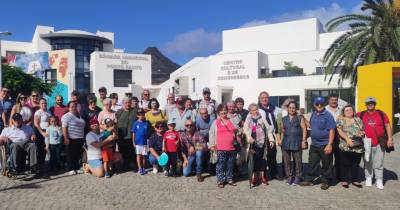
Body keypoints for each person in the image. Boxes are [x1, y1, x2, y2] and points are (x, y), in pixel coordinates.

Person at [357, 97, 393, 190]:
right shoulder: (361, 114)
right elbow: (351, 119)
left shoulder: (381, 113)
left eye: (372, 103)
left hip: (379, 142)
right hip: (366, 143)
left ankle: (379, 180)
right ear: (366, 104)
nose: (370, 104)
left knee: (379, 162)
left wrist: (390, 139)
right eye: (368, 103)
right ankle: (368, 178)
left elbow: (387, 126)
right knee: (367, 161)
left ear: (375, 104)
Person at [300, 97, 335, 190]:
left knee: (326, 164)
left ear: (324, 105)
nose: (319, 106)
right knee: (312, 163)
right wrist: (303, 118)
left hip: (325, 144)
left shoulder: (328, 115)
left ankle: (325, 181)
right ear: (314, 105)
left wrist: (330, 144)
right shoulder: (314, 114)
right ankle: (309, 179)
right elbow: (311, 125)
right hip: (314, 144)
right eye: (317, 104)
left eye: (321, 104)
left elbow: (332, 130)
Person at [244, 103, 275, 187]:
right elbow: (245, 130)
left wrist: (271, 140)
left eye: (256, 109)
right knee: (253, 161)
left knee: (262, 161)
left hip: (262, 143)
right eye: (253, 110)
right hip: (252, 143)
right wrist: (248, 137)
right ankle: (254, 178)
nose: (256, 111)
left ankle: (262, 178)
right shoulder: (248, 118)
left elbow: (268, 130)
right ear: (250, 111)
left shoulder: (262, 118)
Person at [278, 101, 307, 186]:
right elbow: (282, 131)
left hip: (297, 141)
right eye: (290, 108)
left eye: (293, 108)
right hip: (286, 141)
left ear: (296, 109)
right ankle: (289, 176)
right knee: (286, 161)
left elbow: (304, 129)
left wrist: (304, 140)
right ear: (287, 108)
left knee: (297, 160)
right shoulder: (283, 119)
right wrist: (280, 140)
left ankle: (298, 176)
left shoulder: (299, 118)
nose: (292, 109)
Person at [209, 104, 237, 188]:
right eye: (221, 111)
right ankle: (220, 180)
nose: (223, 112)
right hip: (220, 148)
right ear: (218, 113)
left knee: (230, 164)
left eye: (225, 110)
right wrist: (212, 145)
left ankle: (229, 179)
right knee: (220, 165)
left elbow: (237, 130)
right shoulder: (215, 122)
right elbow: (211, 133)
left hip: (231, 147)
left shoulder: (231, 121)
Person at [336, 105, 364, 188]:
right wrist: (347, 139)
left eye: (350, 110)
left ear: (353, 111)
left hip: (357, 146)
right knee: (345, 163)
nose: (348, 111)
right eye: (346, 110)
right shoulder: (341, 119)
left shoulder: (358, 119)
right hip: (345, 145)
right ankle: (345, 180)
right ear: (343, 112)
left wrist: (362, 133)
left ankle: (355, 180)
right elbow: (339, 130)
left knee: (355, 164)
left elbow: (362, 129)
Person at [258, 91, 282, 180]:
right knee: (262, 155)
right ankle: (263, 175)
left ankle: (273, 173)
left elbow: (284, 112)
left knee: (272, 154)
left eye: (266, 97)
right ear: (259, 99)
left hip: (272, 135)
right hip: (261, 135)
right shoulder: (258, 110)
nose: (264, 99)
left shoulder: (274, 108)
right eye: (262, 98)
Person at [61, 101, 86, 175]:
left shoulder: (79, 115)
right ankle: (70, 168)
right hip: (71, 138)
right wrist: (66, 138)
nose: (73, 108)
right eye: (71, 106)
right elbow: (64, 127)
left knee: (77, 154)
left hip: (80, 138)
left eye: (74, 106)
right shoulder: (66, 116)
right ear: (68, 108)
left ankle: (77, 167)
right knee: (70, 154)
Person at [116, 97, 137, 170]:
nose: (127, 104)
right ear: (123, 103)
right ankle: (125, 166)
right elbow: (115, 122)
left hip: (132, 135)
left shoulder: (135, 111)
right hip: (122, 135)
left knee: (132, 151)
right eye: (126, 103)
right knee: (123, 151)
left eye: (129, 102)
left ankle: (133, 165)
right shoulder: (119, 112)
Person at [325, 93, 343, 182]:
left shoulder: (341, 110)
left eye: (335, 100)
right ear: (329, 100)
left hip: (340, 136)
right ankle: (328, 176)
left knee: (340, 157)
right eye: (332, 100)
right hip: (328, 136)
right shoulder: (324, 109)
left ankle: (339, 176)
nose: (333, 101)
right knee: (328, 158)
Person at [131, 108, 151, 175]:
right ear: (137, 115)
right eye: (139, 114)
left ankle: (143, 168)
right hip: (138, 143)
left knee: (144, 156)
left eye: (142, 114)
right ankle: (139, 168)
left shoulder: (146, 123)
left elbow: (148, 133)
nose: (141, 115)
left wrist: (148, 142)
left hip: (145, 143)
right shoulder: (135, 123)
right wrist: (133, 142)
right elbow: (133, 133)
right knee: (138, 155)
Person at [33, 98, 52, 168]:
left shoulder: (49, 112)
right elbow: (36, 123)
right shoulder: (38, 112)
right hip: (40, 131)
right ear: (39, 104)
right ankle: (39, 165)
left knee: (46, 148)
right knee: (40, 148)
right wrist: (42, 132)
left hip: (48, 131)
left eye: (45, 103)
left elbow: (51, 122)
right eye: (42, 103)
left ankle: (43, 163)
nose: (44, 104)